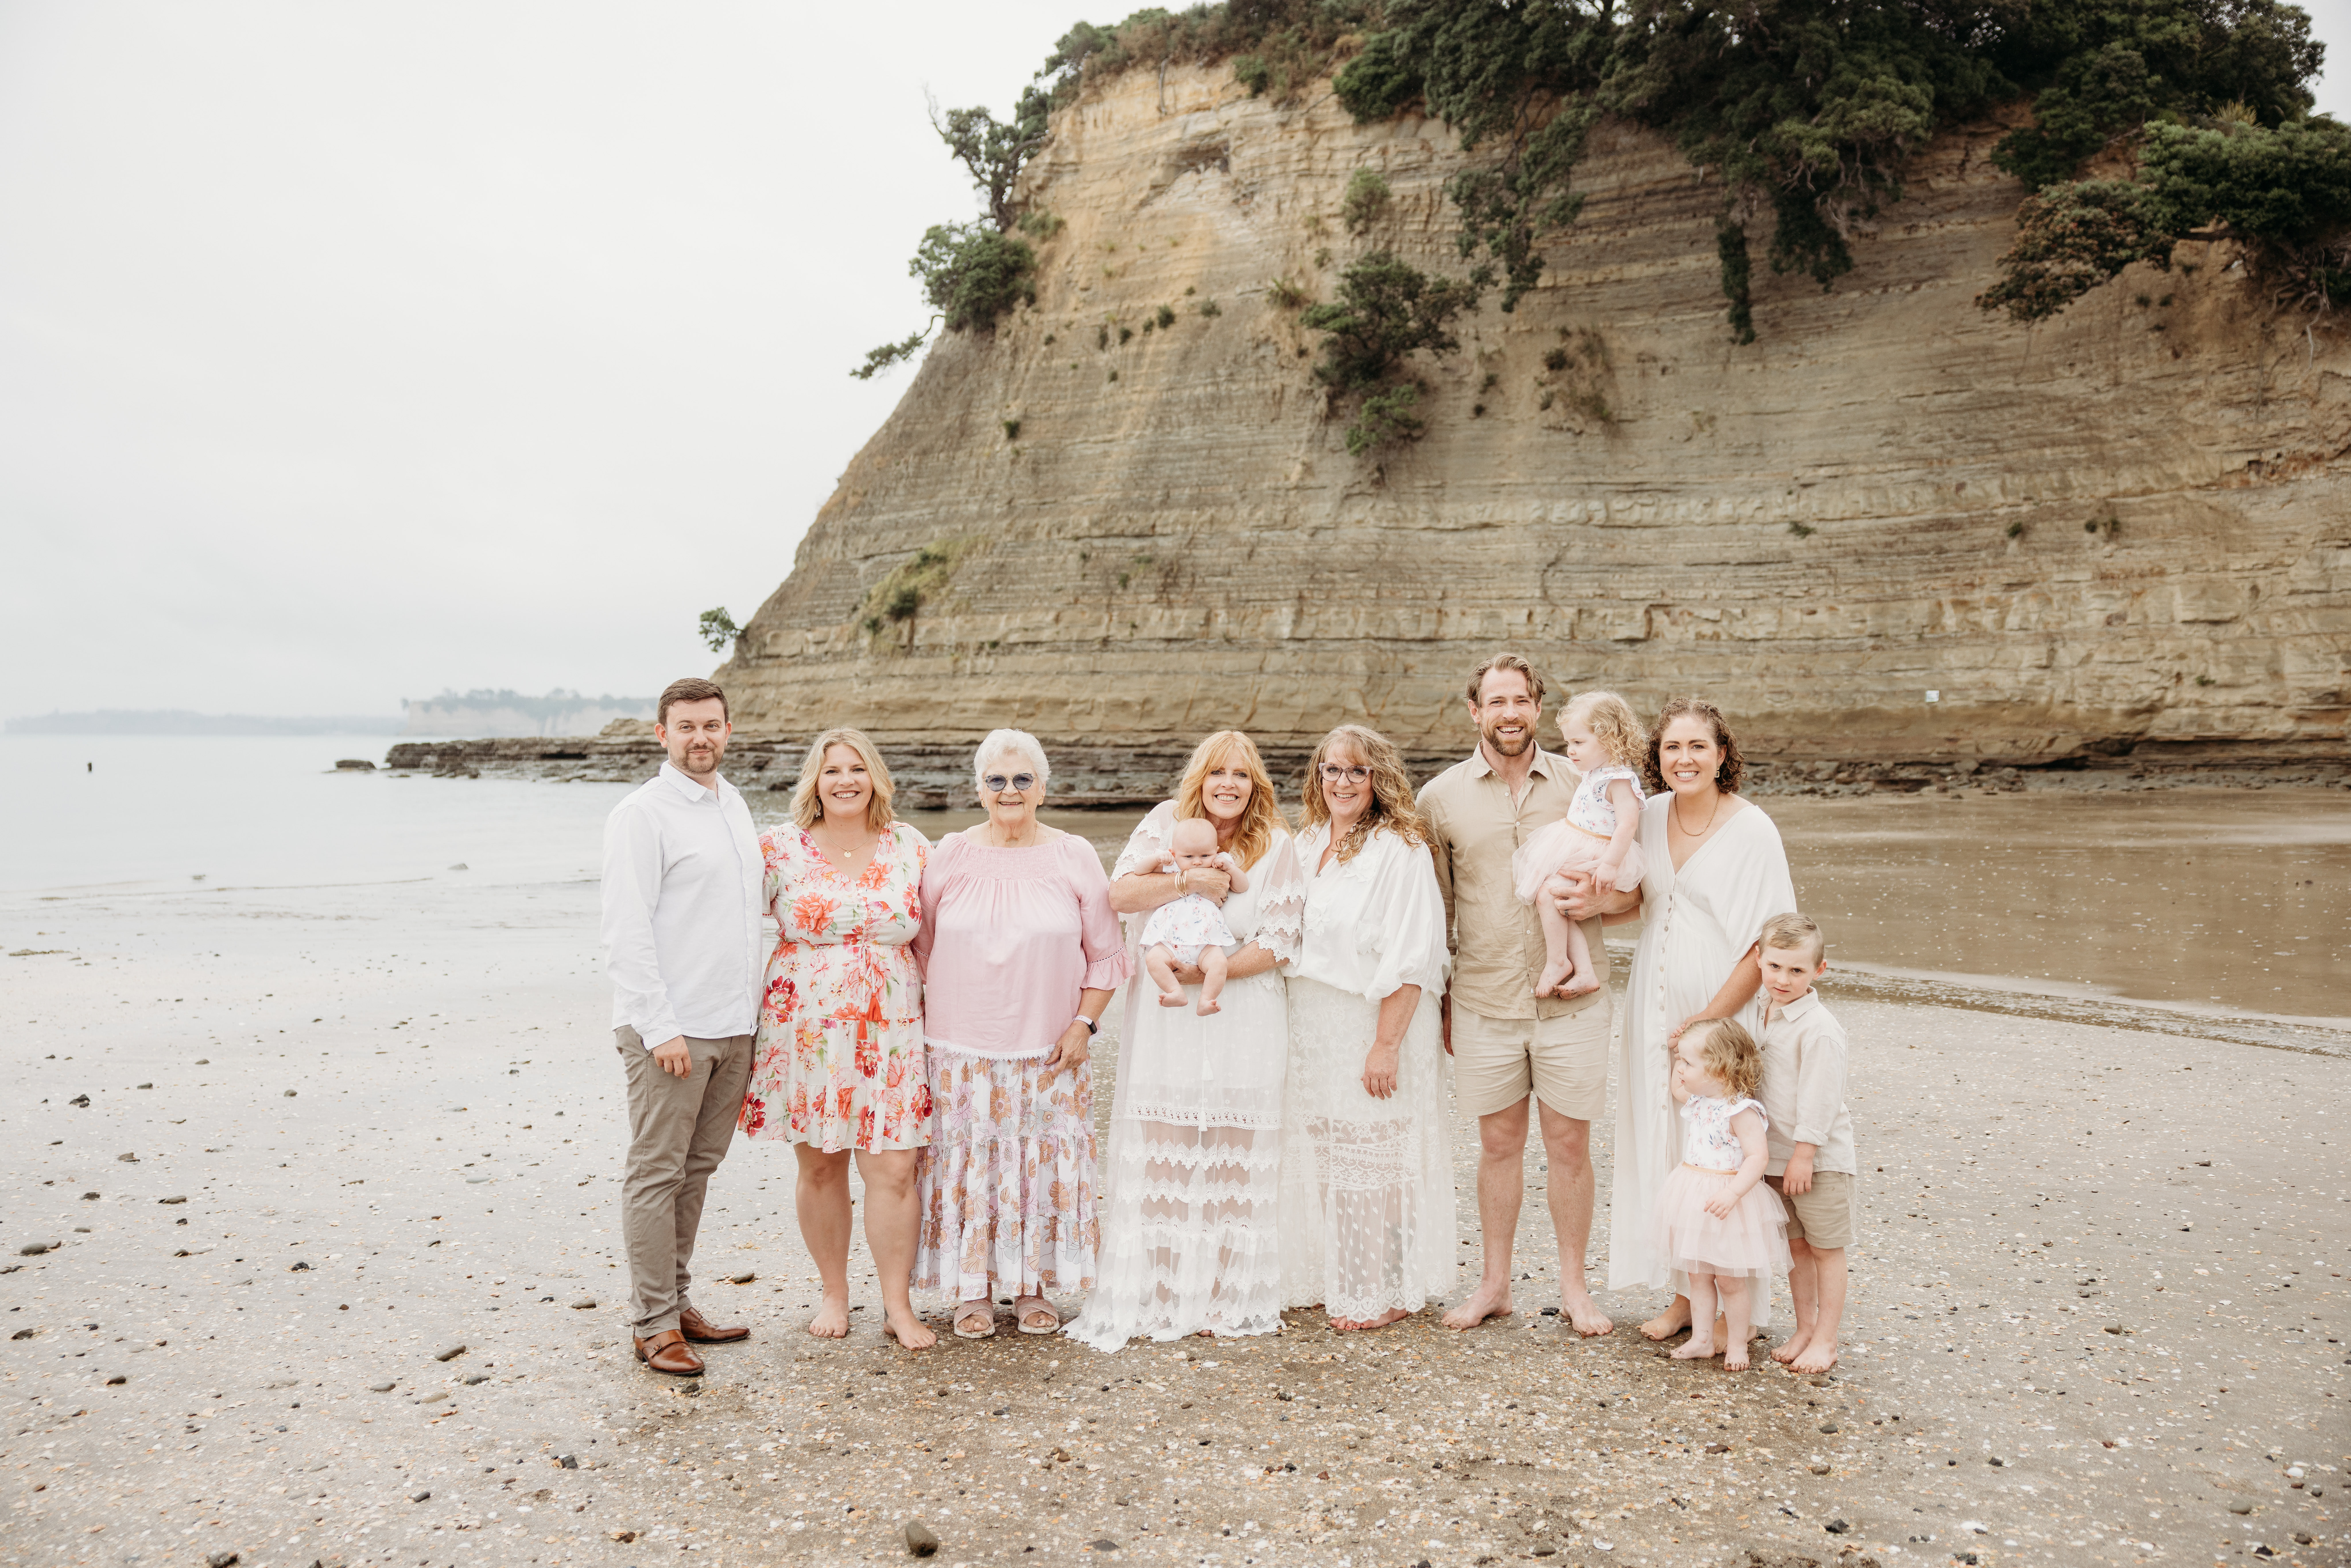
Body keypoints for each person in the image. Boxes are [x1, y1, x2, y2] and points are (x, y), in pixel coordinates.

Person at [1419, 656, 1633, 1336]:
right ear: (1474, 711)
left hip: (1574, 1000)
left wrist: (1602, 896)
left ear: (1537, 707)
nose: (1509, 713)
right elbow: (1435, 912)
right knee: (1498, 1143)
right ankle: (1493, 1284)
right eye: (1496, 701)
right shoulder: (1440, 798)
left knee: (1570, 1145)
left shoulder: (1585, 781)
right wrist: (1442, 999)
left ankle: (1575, 1288)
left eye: (1521, 700)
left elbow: (1634, 892)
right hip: (1484, 997)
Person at [1070, 731, 1305, 1350]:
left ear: (1257, 786)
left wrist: (1204, 968)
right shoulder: (1163, 825)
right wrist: (1187, 887)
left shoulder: (1276, 843)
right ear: (1198, 780)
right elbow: (1118, 894)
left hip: (1244, 1009)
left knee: (1234, 1149)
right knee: (1167, 1148)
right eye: (1216, 773)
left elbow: (1280, 939)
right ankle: (1165, 1290)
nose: (1228, 784)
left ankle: (1228, 1295)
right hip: (1168, 1016)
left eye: (1242, 775)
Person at [912, 730, 1130, 1339]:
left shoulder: (1074, 854)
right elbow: (922, 946)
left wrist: (1085, 1024)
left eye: (1022, 779)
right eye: (997, 780)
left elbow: (1108, 954)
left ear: (1043, 787)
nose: (1010, 791)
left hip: (1051, 1048)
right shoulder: (949, 853)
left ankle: (1032, 1284)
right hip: (960, 1051)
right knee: (969, 1164)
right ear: (979, 790)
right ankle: (973, 1288)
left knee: (1038, 1165)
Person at [737, 728, 935, 1350]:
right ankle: (833, 1291)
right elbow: (729, 928)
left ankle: (897, 1304)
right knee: (821, 1164)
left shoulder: (910, 844)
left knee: (895, 1167)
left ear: (876, 776)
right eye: (832, 771)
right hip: (806, 1029)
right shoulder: (777, 848)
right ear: (813, 782)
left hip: (893, 1028)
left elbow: (946, 935)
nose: (845, 780)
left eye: (857, 768)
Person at [1613, 696, 1798, 1343]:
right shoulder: (1650, 813)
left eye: (1698, 746)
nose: (1684, 758)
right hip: (1649, 1003)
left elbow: (1765, 942)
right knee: (1669, 1146)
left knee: (1720, 1157)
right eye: (1671, 748)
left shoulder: (1752, 830)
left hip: (1719, 1014)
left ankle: (1729, 1311)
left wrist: (1705, 1024)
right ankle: (1683, 1296)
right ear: (1656, 760)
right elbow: (1634, 901)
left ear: (1723, 754)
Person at [599, 676, 763, 1377]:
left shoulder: (735, 804)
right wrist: (659, 1026)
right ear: (661, 734)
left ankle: (678, 1300)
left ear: (729, 731)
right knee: (656, 1172)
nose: (702, 737)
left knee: (697, 1171)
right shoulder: (642, 813)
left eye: (713, 725)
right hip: (673, 1030)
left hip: (734, 1025)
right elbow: (625, 930)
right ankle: (652, 1322)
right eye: (687, 726)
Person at [1281, 723, 1454, 1332]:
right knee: (1330, 1155)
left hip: (1370, 1019)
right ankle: (1340, 1274)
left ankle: (1388, 1286)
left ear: (1378, 777)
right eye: (1331, 769)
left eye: (1357, 770)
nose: (1342, 781)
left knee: (1378, 1159)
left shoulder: (1399, 848)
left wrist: (1386, 1044)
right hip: (1311, 1021)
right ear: (1317, 776)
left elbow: (1414, 954)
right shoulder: (1305, 842)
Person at [1754, 912, 1857, 1375]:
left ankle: (1827, 1339)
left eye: (1796, 970)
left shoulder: (1819, 1028)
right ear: (1758, 960)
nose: (1783, 978)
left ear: (1820, 971)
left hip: (1817, 1159)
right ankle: (1804, 1327)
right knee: (1796, 1246)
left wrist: (1805, 1154)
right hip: (1777, 1154)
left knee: (1825, 1247)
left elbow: (1821, 1098)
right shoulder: (1762, 1013)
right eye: (1775, 966)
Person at [1655, 1018, 1788, 1370]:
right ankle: (1700, 1338)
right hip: (1694, 1194)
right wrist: (1675, 1054)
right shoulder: (1699, 1101)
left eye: (1688, 1063)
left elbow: (1758, 1157)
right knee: (1698, 1275)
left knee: (1730, 1280)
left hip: (1729, 1199)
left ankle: (1736, 1343)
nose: (1680, 1070)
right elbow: (1676, 1089)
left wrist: (1732, 1193)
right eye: (1681, 1062)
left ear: (1719, 1067)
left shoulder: (1740, 1110)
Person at [1511, 691, 1648, 998]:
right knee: (1555, 899)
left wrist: (1610, 865)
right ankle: (1582, 970)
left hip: (1598, 853)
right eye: (1568, 743)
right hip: (1576, 842)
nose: (1570, 751)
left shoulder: (1617, 780)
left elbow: (1627, 824)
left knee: (1550, 895)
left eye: (1578, 743)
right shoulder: (1593, 773)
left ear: (1608, 739)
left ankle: (1559, 961)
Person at [1139, 816, 1252, 1016]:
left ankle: (1207, 999)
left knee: (1219, 964)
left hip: (1205, 942)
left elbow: (1242, 887)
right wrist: (1157, 859)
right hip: (1171, 942)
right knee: (1154, 959)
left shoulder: (1219, 866)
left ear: (1216, 851)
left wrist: (1230, 868)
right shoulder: (1174, 865)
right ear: (1175, 854)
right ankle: (1175, 992)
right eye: (1189, 857)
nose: (1198, 862)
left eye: (1205, 855)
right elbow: (1139, 871)